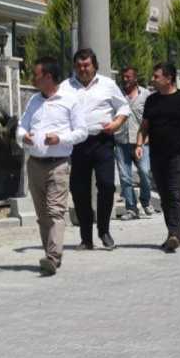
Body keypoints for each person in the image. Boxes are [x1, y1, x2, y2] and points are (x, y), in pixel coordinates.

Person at [16, 57, 88, 275]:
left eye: (36, 74)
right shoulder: (34, 101)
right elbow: (21, 126)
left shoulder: (70, 100)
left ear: (48, 77)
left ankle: (52, 256)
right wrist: (23, 137)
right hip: (35, 164)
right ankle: (51, 253)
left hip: (58, 164)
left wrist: (61, 139)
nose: (32, 78)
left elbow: (82, 131)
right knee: (42, 215)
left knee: (55, 211)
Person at [136, 62, 180, 253]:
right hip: (157, 155)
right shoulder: (152, 100)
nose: (152, 79)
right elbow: (144, 126)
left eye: (156, 76)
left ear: (168, 78)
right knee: (165, 196)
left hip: (178, 154)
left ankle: (174, 234)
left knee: (175, 193)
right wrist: (139, 144)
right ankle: (172, 233)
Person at [67, 48, 130, 250]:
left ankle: (104, 231)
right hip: (78, 144)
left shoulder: (108, 84)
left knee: (107, 186)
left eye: (86, 65)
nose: (82, 69)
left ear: (94, 65)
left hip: (103, 141)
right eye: (79, 65)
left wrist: (116, 124)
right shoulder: (66, 87)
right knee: (79, 190)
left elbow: (124, 108)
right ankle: (86, 238)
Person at [113, 66, 154, 220]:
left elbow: (150, 118)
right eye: (123, 77)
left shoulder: (146, 95)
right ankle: (131, 209)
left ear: (135, 78)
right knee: (125, 177)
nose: (125, 80)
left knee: (144, 172)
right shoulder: (117, 95)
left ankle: (145, 200)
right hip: (121, 141)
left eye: (128, 77)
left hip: (142, 142)